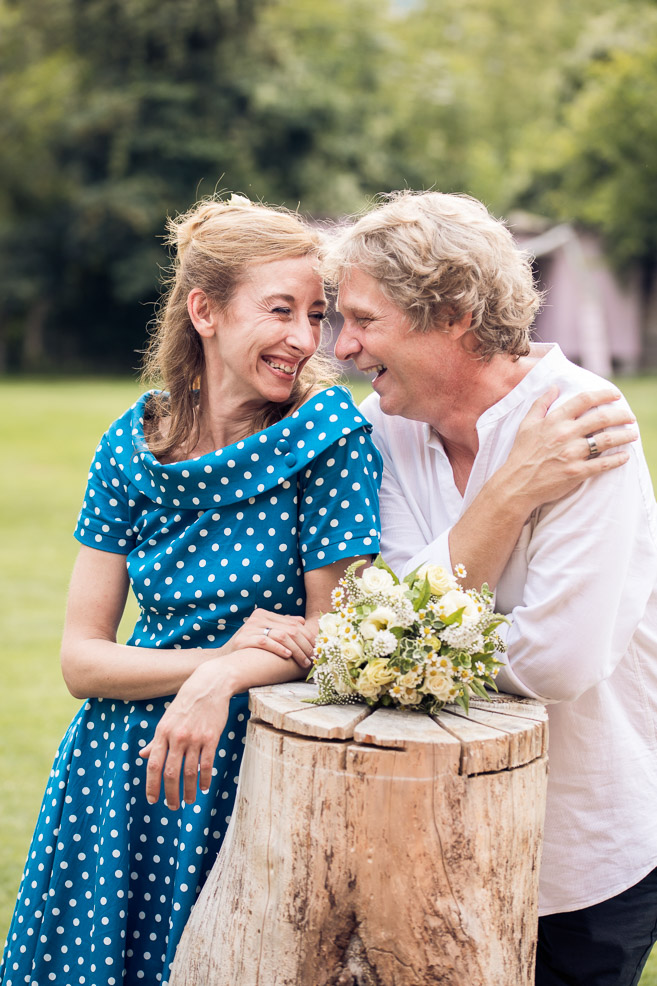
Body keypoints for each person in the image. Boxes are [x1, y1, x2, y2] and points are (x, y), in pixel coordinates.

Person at [0, 196, 383, 986]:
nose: (304, 339)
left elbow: (334, 635)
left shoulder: (329, 439)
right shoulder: (131, 444)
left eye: (315, 315)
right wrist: (212, 662)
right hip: (117, 772)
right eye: (280, 310)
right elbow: (82, 662)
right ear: (204, 312)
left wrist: (222, 680)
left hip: (254, 772)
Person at [323, 190, 657, 986]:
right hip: (421, 838)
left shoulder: (583, 418)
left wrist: (401, 651)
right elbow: (373, 625)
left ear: (453, 315)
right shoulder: (382, 426)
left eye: (363, 320)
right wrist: (510, 494)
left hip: (578, 859)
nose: (341, 346)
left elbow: (554, 664)